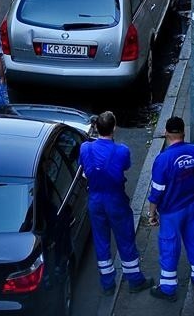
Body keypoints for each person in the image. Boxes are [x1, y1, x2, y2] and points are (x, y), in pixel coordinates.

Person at [146, 116, 194, 300]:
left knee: (169, 246)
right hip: (192, 206)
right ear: (183, 132)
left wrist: (151, 213)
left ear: (166, 133)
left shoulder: (162, 160)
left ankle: (168, 288)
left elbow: (157, 192)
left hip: (171, 212)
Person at [79, 111, 153, 297]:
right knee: (125, 238)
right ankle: (135, 279)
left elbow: (84, 169)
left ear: (96, 127)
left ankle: (107, 284)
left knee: (101, 240)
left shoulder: (85, 148)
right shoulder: (121, 150)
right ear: (114, 128)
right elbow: (125, 166)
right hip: (115, 199)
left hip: (95, 200)